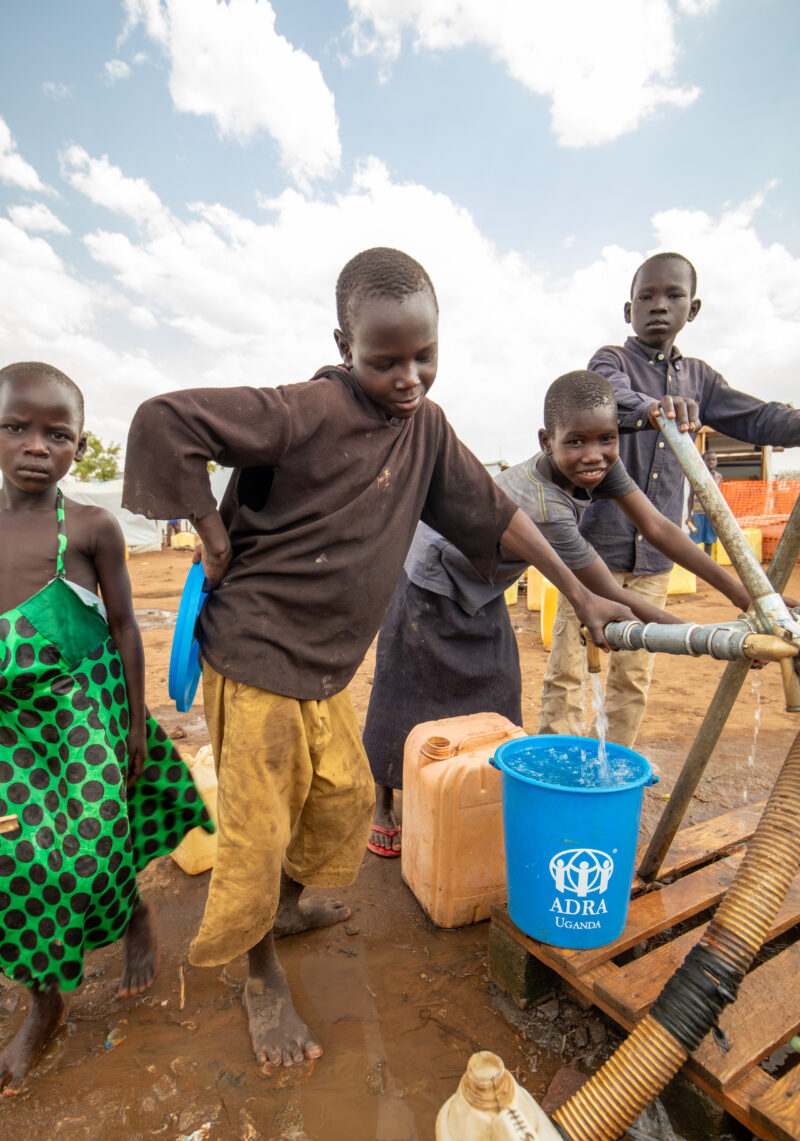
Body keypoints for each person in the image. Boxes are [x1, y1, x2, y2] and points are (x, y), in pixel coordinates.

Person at [122, 247, 634, 1073]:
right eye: (384, 359)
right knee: (257, 831)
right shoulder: (301, 411)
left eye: (424, 356)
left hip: (324, 666)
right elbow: (162, 420)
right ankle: (260, 979)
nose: (409, 377)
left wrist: (580, 594)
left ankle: (282, 913)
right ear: (342, 342)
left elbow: (496, 514)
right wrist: (210, 534)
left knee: (343, 796)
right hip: (254, 653)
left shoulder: (425, 431)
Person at [362, 369, 754, 845]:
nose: (594, 456)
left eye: (606, 439)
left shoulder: (601, 468)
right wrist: (717, 640)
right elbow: (611, 594)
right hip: (429, 577)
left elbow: (659, 527)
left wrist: (745, 595)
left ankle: (476, 794)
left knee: (497, 690)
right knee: (405, 689)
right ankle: (385, 804)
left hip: (484, 583)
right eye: (577, 442)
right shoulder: (545, 507)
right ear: (547, 441)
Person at [0, 362, 211, 1096]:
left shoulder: (90, 528)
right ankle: (46, 1001)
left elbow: (125, 628)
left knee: (91, 850)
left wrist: (134, 723)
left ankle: (134, 916)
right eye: (16, 428)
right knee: (22, 863)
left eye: (57, 435)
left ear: (78, 447)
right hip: (12, 728)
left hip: (85, 716)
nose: (36, 446)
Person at [539, 251, 800, 747]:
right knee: (571, 669)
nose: (659, 305)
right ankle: (558, 764)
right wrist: (652, 408)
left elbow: (757, 418)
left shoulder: (700, 379)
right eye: (646, 296)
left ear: (693, 310)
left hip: (655, 561)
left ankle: (617, 765)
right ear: (628, 309)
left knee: (634, 674)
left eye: (673, 296)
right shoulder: (612, 361)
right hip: (593, 551)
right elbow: (611, 394)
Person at [687, 450, 724, 555]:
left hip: (711, 514)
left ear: (717, 462)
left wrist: (719, 513)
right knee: (695, 542)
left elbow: (718, 497)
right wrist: (689, 515)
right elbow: (691, 497)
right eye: (708, 460)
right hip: (698, 514)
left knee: (709, 541)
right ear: (703, 461)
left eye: (714, 459)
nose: (711, 462)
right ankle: (695, 563)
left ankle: (707, 565)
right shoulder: (696, 476)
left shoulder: (719, 477)